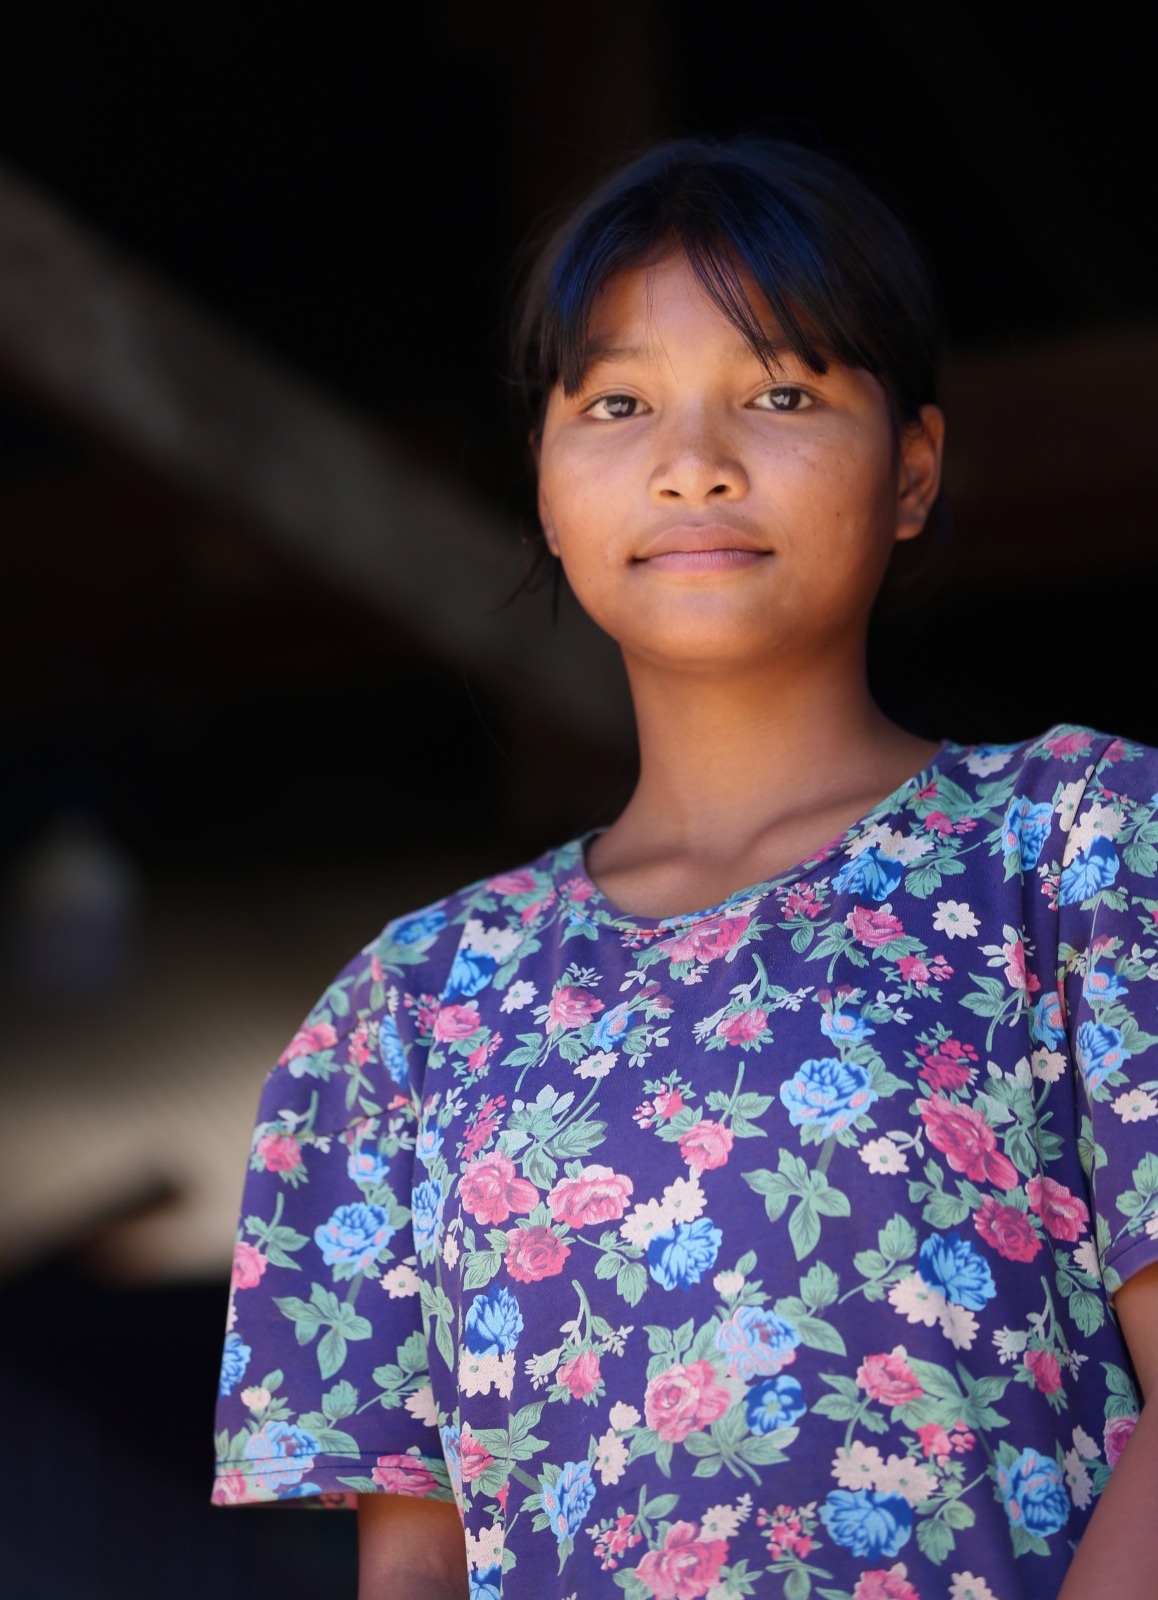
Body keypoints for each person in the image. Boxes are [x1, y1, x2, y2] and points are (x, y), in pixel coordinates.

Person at [212, 137, 1158, 1600]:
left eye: (781, 393)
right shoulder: (400, 1013)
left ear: (911, 470)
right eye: (617, 403)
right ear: (541, 479)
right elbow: (412, 1568)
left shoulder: (1077, 846)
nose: (693, 460)